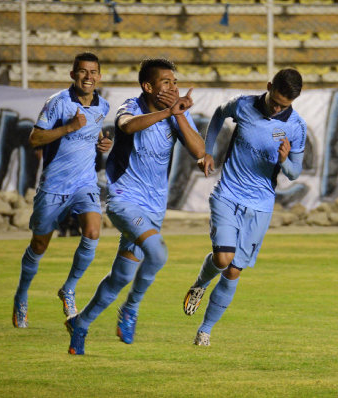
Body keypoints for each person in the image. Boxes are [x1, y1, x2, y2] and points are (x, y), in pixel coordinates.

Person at [64, 58, 205, 354]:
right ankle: (131, 308)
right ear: (148, 87)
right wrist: (169, 110)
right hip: (123, 199)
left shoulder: (176, 113)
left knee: (121, 276)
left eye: (175, 82)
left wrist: (178, 115)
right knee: (158, 253)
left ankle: (81, 324)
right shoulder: (131, 105)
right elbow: (127, 127)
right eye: (166, 82)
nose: (173, 87)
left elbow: (199, 151)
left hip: (154, 207)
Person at [182, 68, 307, 346]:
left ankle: (205, 331)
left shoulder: (296, 127)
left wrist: (285, 160)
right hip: (228, 193)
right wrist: (207, 151)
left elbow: (295, 172)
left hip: (260, 205)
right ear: (268, 86)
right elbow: (217, 115)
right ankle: (201, 284)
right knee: (223, 258)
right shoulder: (243, 105)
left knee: (234, 270)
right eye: (274, 100)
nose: (276, 108)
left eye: (283, 106)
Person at [12, 52, 112, 328]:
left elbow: (94, 134)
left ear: (99, 76)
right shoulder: (57, 103)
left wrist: (103, 143)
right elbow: (35, 138)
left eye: (93, 72)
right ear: (73, 74)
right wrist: (68, 127)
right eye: (82, 71)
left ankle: (69, 288)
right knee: (39, 244)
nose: (88, 77)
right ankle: (21, 295)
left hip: (85, 184)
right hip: (54, 186)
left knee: (92, 231)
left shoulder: (102, 105)